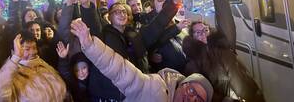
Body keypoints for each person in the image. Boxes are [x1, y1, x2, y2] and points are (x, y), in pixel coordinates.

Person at [70, 19, 213, 102]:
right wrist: (90, 44)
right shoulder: (154, 87)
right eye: (191, 89)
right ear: (183, 83)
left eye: (198, 99)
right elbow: (119, 69)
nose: (191, 97)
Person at [183, 0, 265, 102]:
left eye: (205, 30)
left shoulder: (222, 44)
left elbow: (226, 22)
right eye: (198, 33)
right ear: (192, 37)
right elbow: (204, 92)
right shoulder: (193, 61)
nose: (203, 34)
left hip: (253, 97)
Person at [0, 31, 66, 102]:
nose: (33, 52)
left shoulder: (43, 64)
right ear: (14, 51)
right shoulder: (10, 74)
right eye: (27, 49)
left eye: (34, 48)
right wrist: (15, 58)